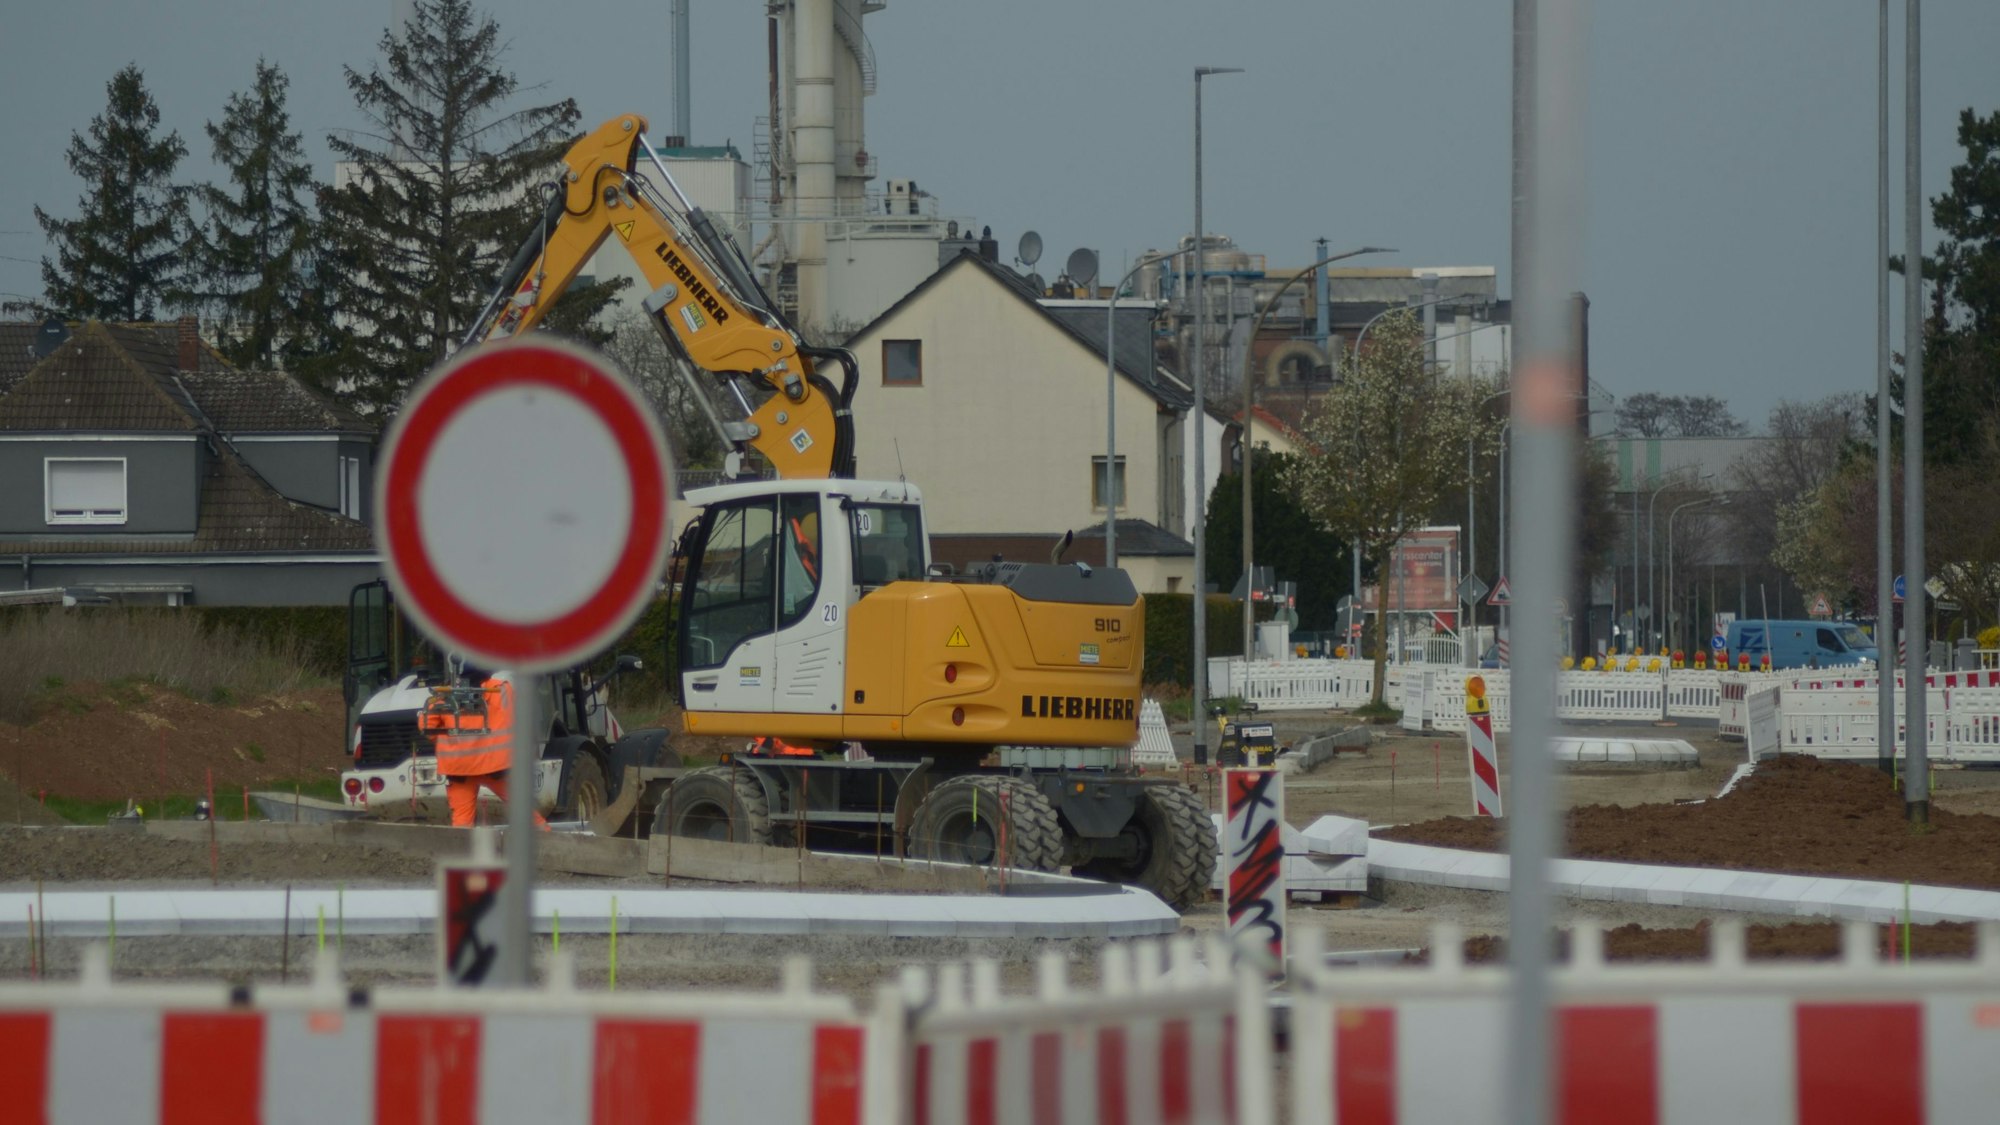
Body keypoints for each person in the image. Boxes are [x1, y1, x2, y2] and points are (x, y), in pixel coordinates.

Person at [426, 670, 547, 829]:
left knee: (462, 822)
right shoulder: (503, 689)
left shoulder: (443, 694)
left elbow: (428, 727)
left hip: (460, 769)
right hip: (496, 767)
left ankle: (463, 852)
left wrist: (449, 742)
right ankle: (552, 844)